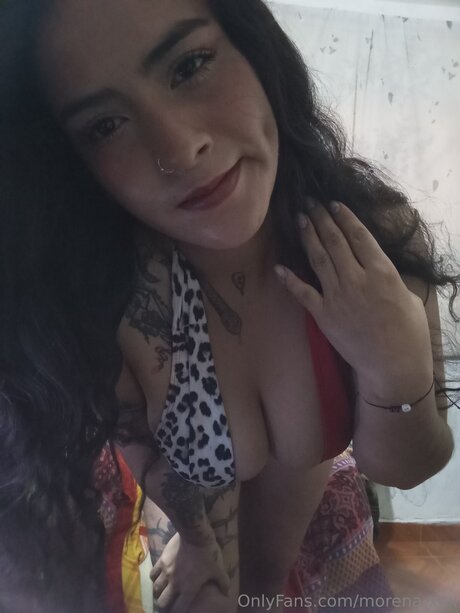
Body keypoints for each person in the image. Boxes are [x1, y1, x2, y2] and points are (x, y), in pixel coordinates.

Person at [0, 0, 458, 611]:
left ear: (255, 49)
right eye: (105, 126)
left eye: (189, 66)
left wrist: (394, 367)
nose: (179, 150)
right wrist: (195, 542)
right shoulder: (114, 295)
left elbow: (411, 465)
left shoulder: (373, 239)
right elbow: (151, 459)